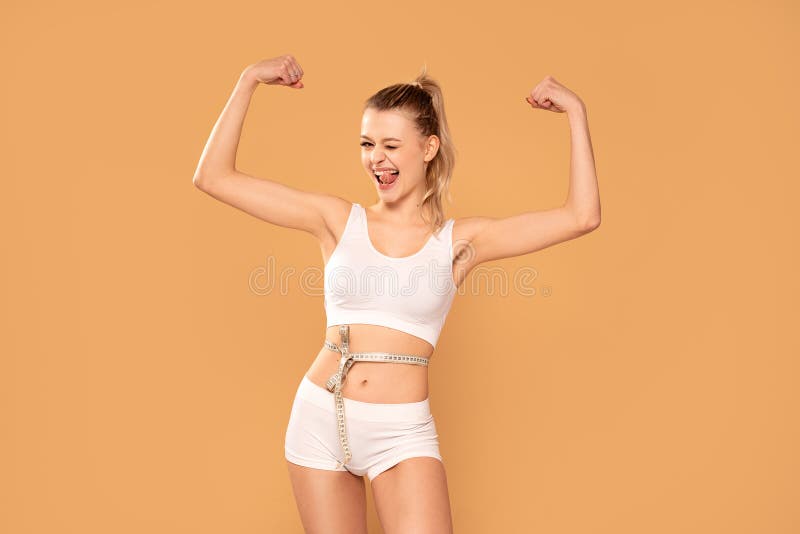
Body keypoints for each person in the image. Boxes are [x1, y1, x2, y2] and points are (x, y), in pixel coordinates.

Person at [192, 54, 601, 534]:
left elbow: (581, 216)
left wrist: (576, 111)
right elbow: (213, 176)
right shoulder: (337, 220)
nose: (375, 158)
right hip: (319, 418)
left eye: (390, 144)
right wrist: (248, 81)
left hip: (401, 433)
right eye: (367, 144)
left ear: (429, 148)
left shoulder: (459, 243)